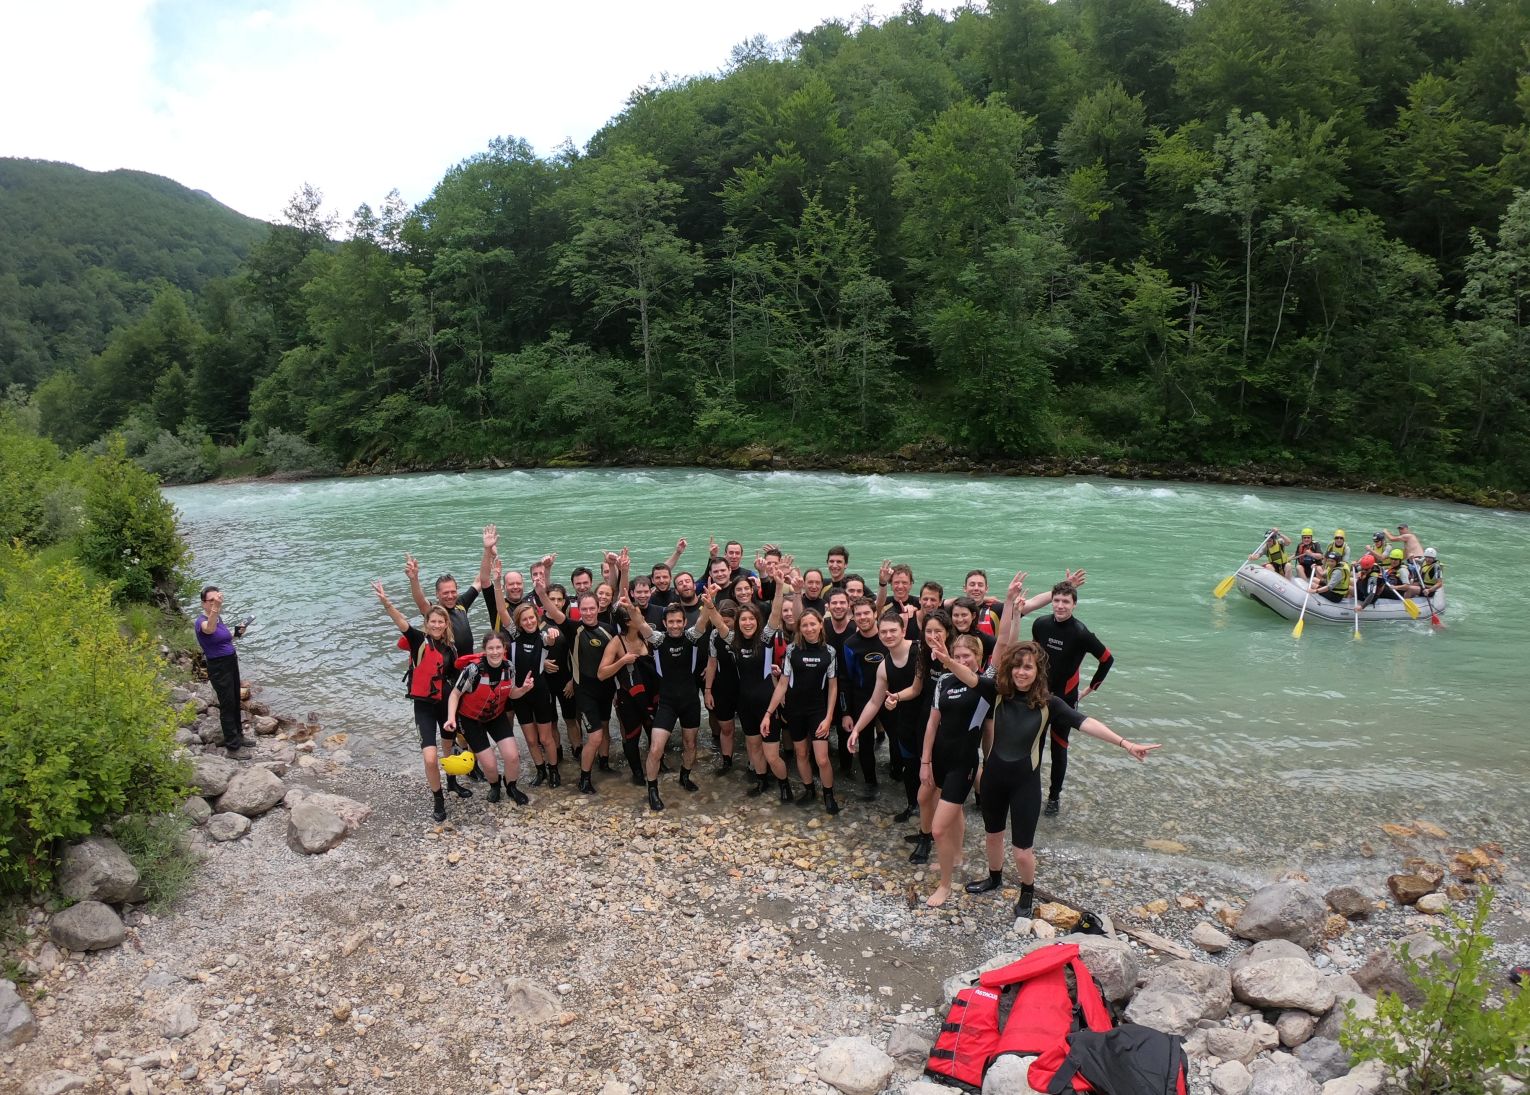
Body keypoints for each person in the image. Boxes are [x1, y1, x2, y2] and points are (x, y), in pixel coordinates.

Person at [966, 640, 1158, 919]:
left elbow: (1084, 722)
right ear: (1009, 669)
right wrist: (946, 659)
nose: (1021, 672)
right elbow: (969, 676)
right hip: (993, 780)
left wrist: (1125, 743)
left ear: (1038, 671)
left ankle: (1027, 891)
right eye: (1017, 666)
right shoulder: (998, 692)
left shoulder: (1049, 704)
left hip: (1024, 785)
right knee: (992, 836)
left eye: (1028, 667)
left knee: (1022, 851)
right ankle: (994, 878)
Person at [373, 582, 468, 820]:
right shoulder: (418, 640)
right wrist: (386, 603)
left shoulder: (451, 648)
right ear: (427, 623)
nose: (436, 625)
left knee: (448, 748)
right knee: (430, 757)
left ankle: (452, 783)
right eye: (432, 621)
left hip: (445, 704)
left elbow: (455, 680)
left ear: (446, 624)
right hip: (424, 706)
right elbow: (400, 621)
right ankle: (438, 800)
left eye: (440, 621)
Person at [631, 590, 729, 811]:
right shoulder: (657, 639)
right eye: (671, 622)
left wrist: (709, 601)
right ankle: (652, 789)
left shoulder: (692, 637)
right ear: (664, 623)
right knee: (656, 748)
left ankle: (685, 776)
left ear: (685, 622)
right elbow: (640, 622)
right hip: (666, 703)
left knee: (690, 744)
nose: (675, 625)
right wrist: (629, 605)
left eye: (678, 621)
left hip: (690, 702)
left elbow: (703, 620)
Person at [917, 632, 993, 907]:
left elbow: (989, 730)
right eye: (957, 656)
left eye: (966, 656)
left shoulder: (985, 684)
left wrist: (989, 762)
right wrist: (925, 761)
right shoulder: (944, 681)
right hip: (940, 757)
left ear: (978, 657)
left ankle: (945, 885)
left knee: (938, 830)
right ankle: (957, 856)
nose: (961, 660)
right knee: (954, 809)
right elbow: (932, 723)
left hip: (963, 762)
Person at [1030, 577, 1110, 817]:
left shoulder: (1081, 633)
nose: (1060, 605)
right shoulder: (1040, 624)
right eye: (1056, 600)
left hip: (1065, 698)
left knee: (1059, 747)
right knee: (1034, 744)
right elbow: (1033, 657)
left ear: (1074, 604)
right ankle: (1030, 790)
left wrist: (1091, 687)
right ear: (1051, 602)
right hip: (1040, 694)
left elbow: (1107, 659)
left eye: (1066, 601)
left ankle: (1054, 797)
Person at [764, 605, 840, 814]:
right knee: (801, 753)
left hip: (818, 710)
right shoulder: (792, 650)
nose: (809, 629)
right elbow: (783, 684)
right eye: (804, 625)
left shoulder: (830, 652)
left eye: (812, 624)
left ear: (820, 625)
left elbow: (833, 687)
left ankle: (829, 795)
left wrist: (829, 716)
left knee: (822, 758)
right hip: (795, 709)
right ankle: (809, 790)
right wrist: (769, 713)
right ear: (800, 628)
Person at [847, 610, 923, 818]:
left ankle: (934, 814)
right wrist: (857, 729)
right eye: (884, 632)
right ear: (879, 634)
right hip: (906, 719)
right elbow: (874, 702)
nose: (888, 635)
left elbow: (917, 689)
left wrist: (896, 697)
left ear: (903, 631)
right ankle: (913, 806)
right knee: (910, 766)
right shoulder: (884, 666)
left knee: (927, 767)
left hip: (928, 718)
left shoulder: (920, 651)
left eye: (893, 631)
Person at [444, 632, 534, 806]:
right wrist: (451, 718)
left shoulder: (509, 668)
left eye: (498, 647)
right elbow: (455, 694)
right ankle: (495, 786)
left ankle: (511, 787)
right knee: (490, 765)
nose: (495, 652)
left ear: (504, 648)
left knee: (512, 756)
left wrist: (524, 689)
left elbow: (512, 693)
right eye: (490, 648)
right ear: (484, 650)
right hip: (470, 720)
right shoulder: (473, 670)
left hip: (495, 716)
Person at [733, 567, 792, 799]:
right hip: (745, 703)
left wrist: (779, 587)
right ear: (738, 623)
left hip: (767, 703)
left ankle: (785, 786)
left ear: (757, 621)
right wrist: (709, 606)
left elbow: (776, 613)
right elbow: (717, 623)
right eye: (743, 620)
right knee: (754, 747)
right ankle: (761, 781)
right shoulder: (734, 641)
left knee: (772, 754)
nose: (747, 623)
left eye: (751, 619)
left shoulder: (765, 639)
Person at [407, 526, 498, 655]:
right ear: (437, 594)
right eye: (445, 593)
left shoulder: (461, 604)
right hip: (448, 665)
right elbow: (420, 600)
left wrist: (489, 553)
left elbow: (480, 581)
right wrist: (414, 579)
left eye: (453, 591)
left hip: (467, 662)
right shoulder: (434, 611)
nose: (450, 596)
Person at [596, 601, 656, 790]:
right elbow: (601, 674)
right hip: (628, 697)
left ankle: (658, 764)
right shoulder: (617, 643)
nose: (642, 617)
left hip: (651, 695)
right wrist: (622, 661)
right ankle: (637, 773)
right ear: (629, 622)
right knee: (632, 735)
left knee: (654, 731)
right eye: (637, 614)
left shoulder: (647, 636)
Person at [838, 596, 887, 798]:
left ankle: (897, 775)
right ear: (853, 617)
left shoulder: (887, 638)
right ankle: (870, 783)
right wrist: (846, 712)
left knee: (899, 740)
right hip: (862, 700)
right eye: (858, 614)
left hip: (890, 699)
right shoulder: (850, 644)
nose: (863, 617)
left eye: (867, 613)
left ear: (875, 614)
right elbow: (844, 680)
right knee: (865, 745)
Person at [196, 585, 253, 751]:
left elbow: (224, 640)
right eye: (211, 600)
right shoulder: (201, 621)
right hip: (219, 666)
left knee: (235, 700)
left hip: (230, 662)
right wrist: (216, 608)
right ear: (203, 603)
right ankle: (232, 747)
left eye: (217, 598)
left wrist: (237, 633)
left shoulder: (218, 619)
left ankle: (239, 736)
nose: (215, 602)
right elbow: (209, 629)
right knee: (227, 704)